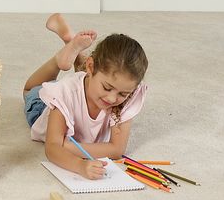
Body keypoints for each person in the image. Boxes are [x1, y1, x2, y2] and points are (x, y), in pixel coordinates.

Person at [22, 15, 148, 181]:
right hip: (43, 108)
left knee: (88, 83)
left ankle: (73, 46)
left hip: (85, 84)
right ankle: (59, 59)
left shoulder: (128, 94)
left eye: (122, 94)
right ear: (91, 66)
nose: (112, 99)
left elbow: (117, 150)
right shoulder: (64, 94)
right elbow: (52, 147)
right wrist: (79, 165)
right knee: (29, 90)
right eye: (107, 87)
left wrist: (68, 147)